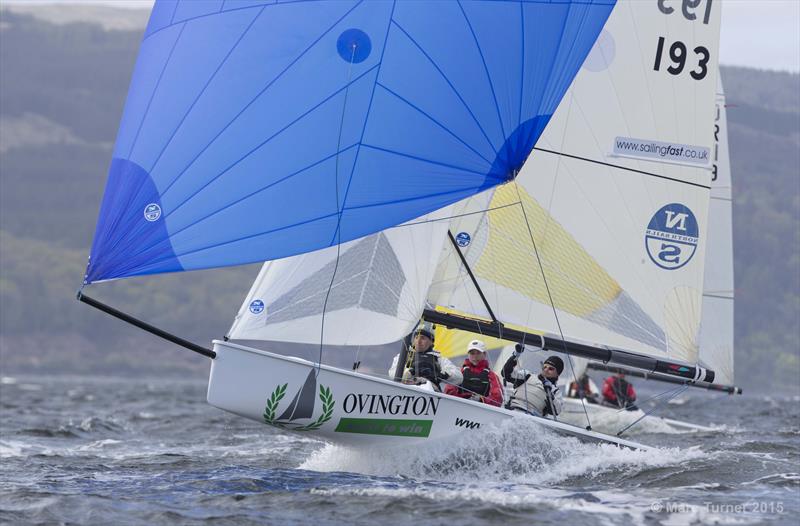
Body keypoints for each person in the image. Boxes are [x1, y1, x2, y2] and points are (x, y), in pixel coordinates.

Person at [388, 322, 462, 390]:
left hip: (431, 391)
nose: (418, 341)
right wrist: (410, 372)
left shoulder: (439, 359)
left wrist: (440, 375)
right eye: (416, 337)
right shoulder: (404, 355)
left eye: (423, 338)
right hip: (406, 389)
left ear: (431, 342)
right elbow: (392, 374)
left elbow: (459, 378)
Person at [501, 344, 563, 417]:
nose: (546, 370)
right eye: (545, 367)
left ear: (557, 374)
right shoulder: (527, 376)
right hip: (512, 410)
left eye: (551, 369)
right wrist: (516, 354)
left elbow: (556, 411)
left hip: (531, 418)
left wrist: (549, 391)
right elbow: (505, 373)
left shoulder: (555, 391)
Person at [444, 340, 502, 407]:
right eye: (472, 353)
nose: (475, 356)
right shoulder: (459, 372)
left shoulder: (492, 376)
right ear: (468, 355)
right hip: (459, 408)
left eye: (478, 353)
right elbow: (448, 393)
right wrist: (466, 397)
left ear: (484, 354)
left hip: (481, 412)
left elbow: (498, 400)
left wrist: (481, 399)